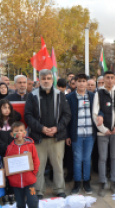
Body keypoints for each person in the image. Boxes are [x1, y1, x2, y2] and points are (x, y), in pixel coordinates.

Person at [24, 69, 71, 198]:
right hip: (39, 137)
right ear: (39, 80)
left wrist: (57, 128)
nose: (46, 81)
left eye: (48, 78)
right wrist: (41, 128)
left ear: (52, 80)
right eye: (43, 78)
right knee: (38, 167)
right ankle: (38, 191)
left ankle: (59, 189)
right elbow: (28, 116)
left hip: (57, 137)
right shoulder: (32, 96)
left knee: (58, 166)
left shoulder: (60, 95)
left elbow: (67, 115)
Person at [92, 71, 115, 196]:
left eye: (112, 78)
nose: (110, 80)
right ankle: (102, 182)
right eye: (108, 78)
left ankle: (113, 182)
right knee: (102, 158)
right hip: (103, 133)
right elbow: (95, 113)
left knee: (114, 157)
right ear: (104, 79)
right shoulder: (99, 93)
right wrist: (104, 130)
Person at [66, 74, 97, 194]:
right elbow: (67, 118)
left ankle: (87, 182)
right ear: (75, 82)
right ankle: (77, 182)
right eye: (79, 81)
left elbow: (98, 112)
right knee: (77, 159)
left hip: (90, 133)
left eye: (84, 81)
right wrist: (68, 135)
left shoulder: (93, 96)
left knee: (87, 158)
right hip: (76, 134)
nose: (82, 84)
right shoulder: (70, 97)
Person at [0, 99, 21, 204]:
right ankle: (4, 194)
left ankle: (11, 193)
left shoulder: (13, 122)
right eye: (4, 107)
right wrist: (6, 147)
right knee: (2, 174)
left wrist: (12, 147)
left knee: (12, 174)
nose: (7, 110)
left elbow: (17, 136)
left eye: (8, 108)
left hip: (12, 152)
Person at [5, 122, 40, 208]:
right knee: (20, 204)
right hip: (16, 184)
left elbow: (36, 160)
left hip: (30, 182)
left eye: (21, 130)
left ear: (25, 132)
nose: (19, 132)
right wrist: (11, 178)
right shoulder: (9, 148)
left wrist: (33, 173)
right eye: (16, 131)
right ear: (11, 134)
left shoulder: (30, 146)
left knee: (33, 201)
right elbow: (7, 164)